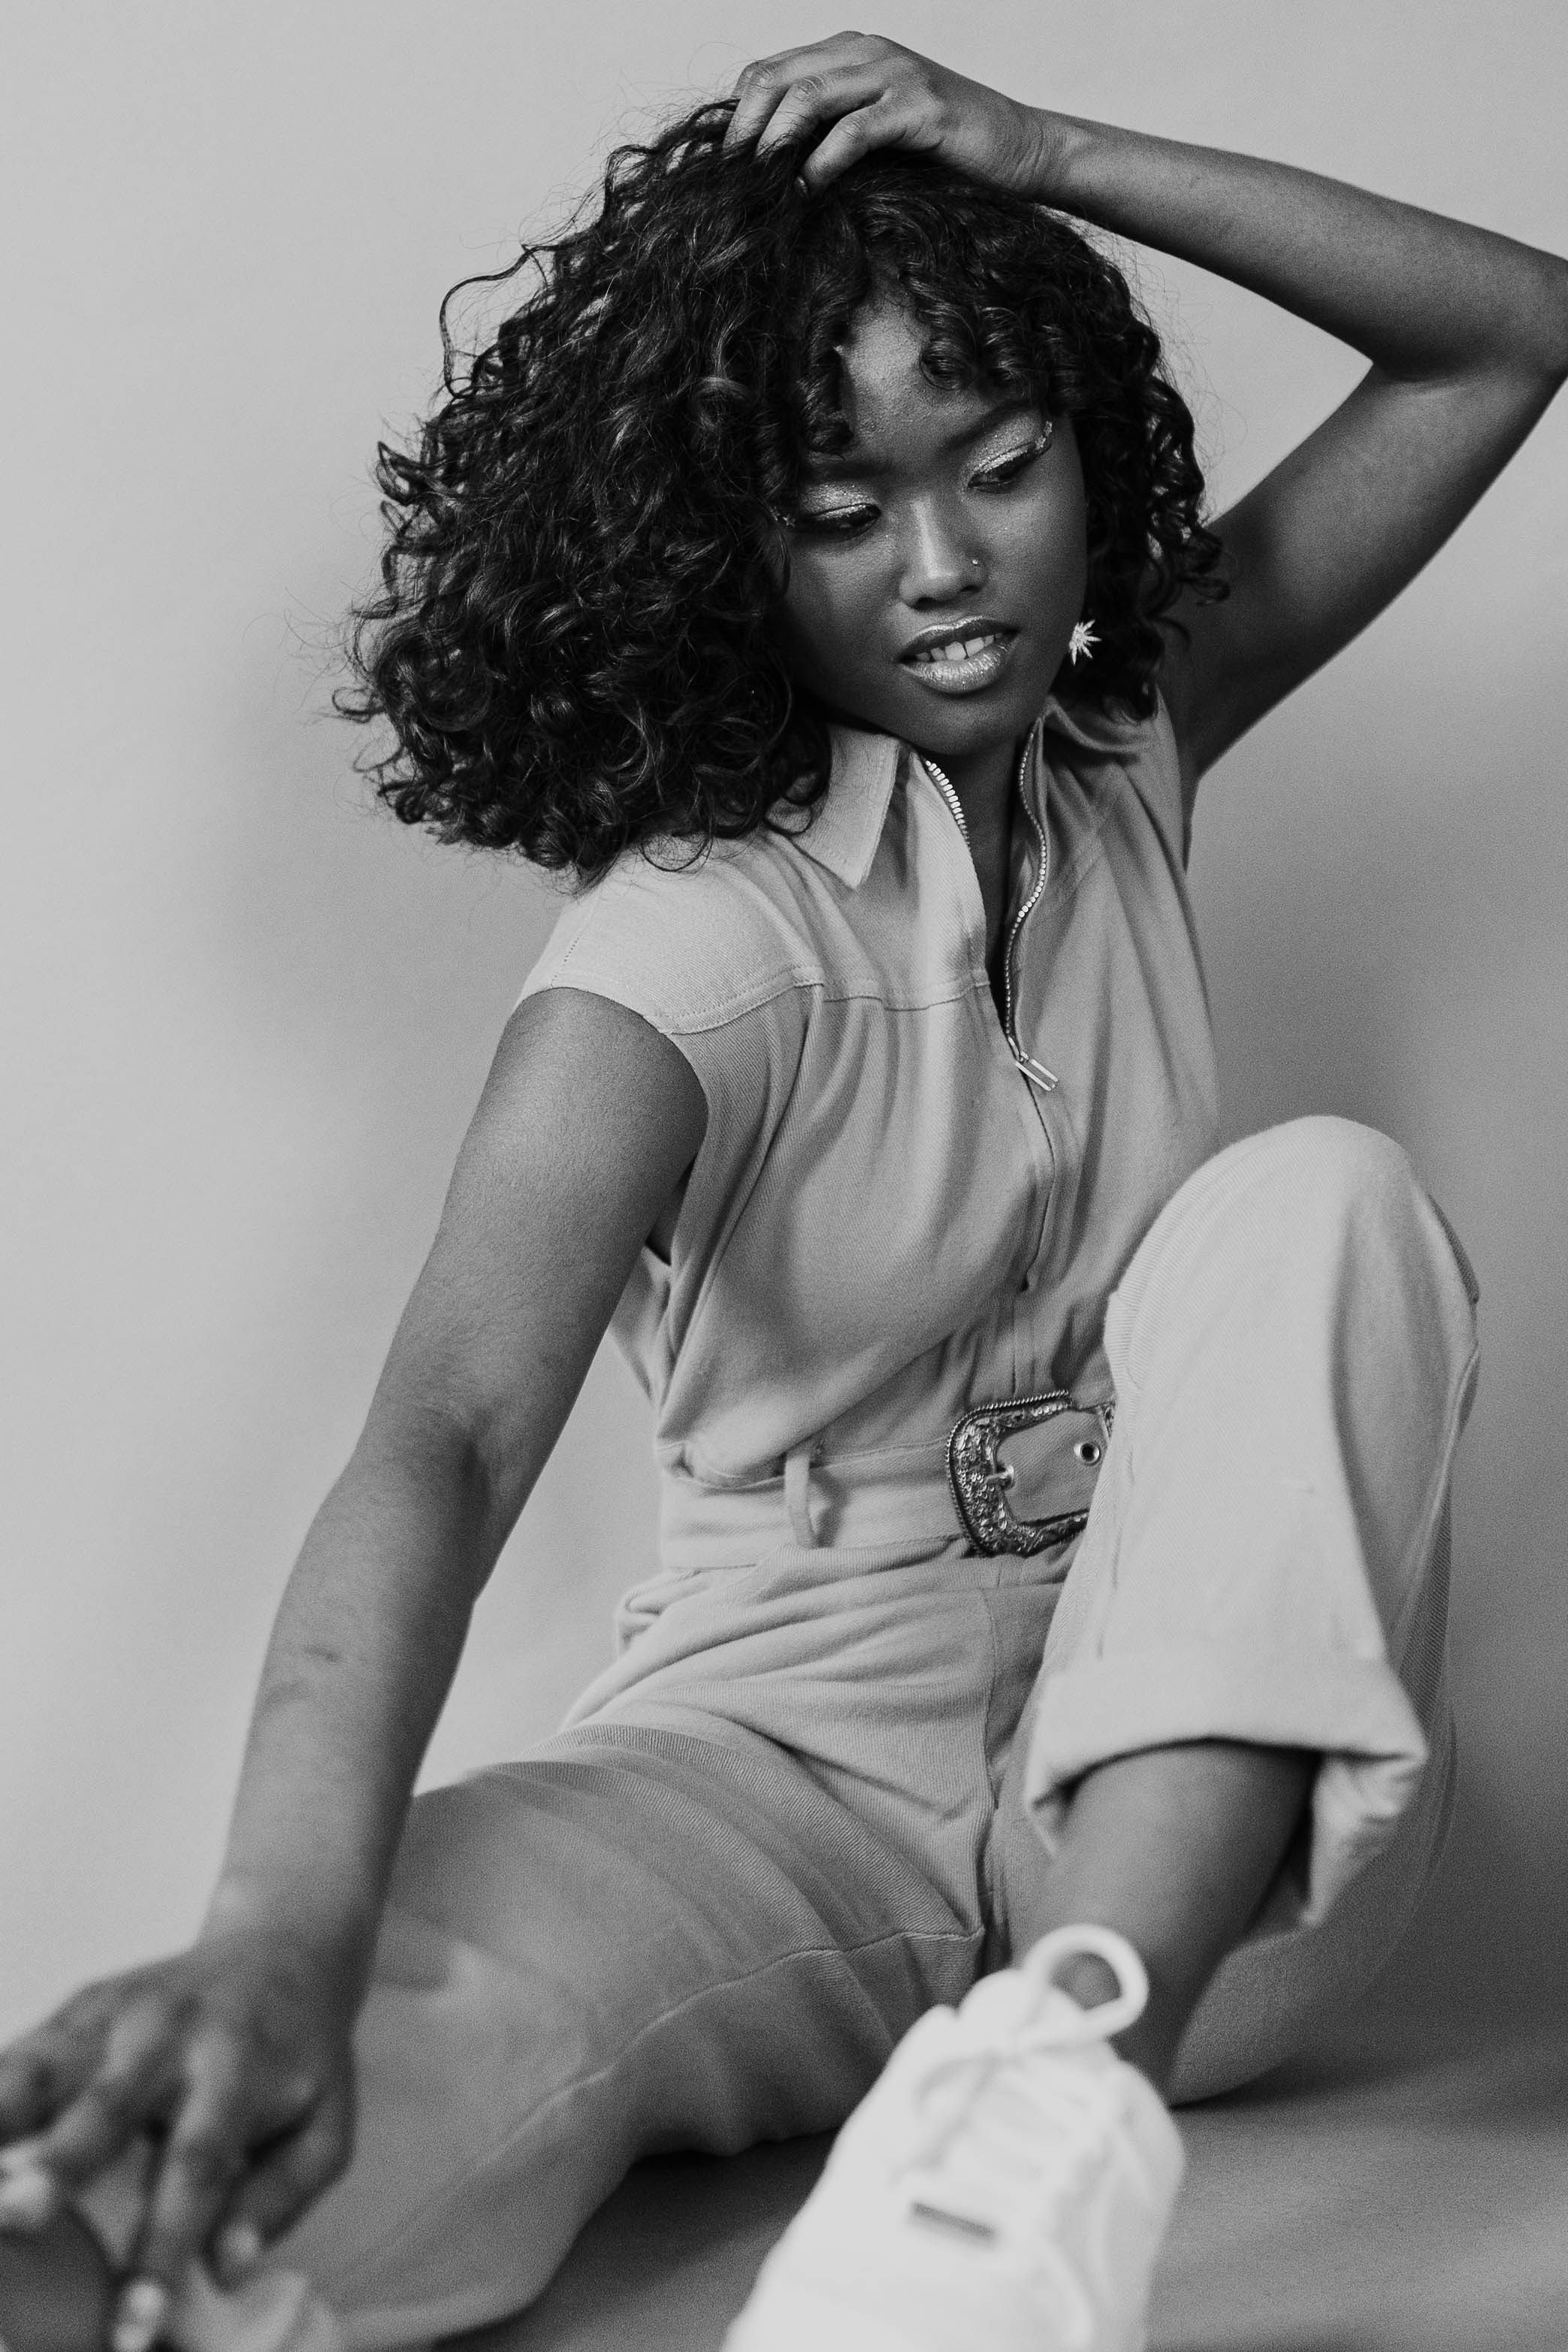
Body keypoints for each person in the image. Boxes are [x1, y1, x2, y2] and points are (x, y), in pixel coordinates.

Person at [1, 31, 1563, 2352]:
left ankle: (1038, 2126)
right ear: (729, 547)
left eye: (1001, 467)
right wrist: (275, 1931)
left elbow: (1507, 328)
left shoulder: (1129, 741)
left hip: (1204, 1821)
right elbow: (447, 1436)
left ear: (1087, 458)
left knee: (1320, 1201)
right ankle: (75, 2265)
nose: (943, 565)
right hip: (771, 1778)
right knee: (360, 2017)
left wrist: (1049, 152)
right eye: (842, 508)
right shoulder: (687, 946)